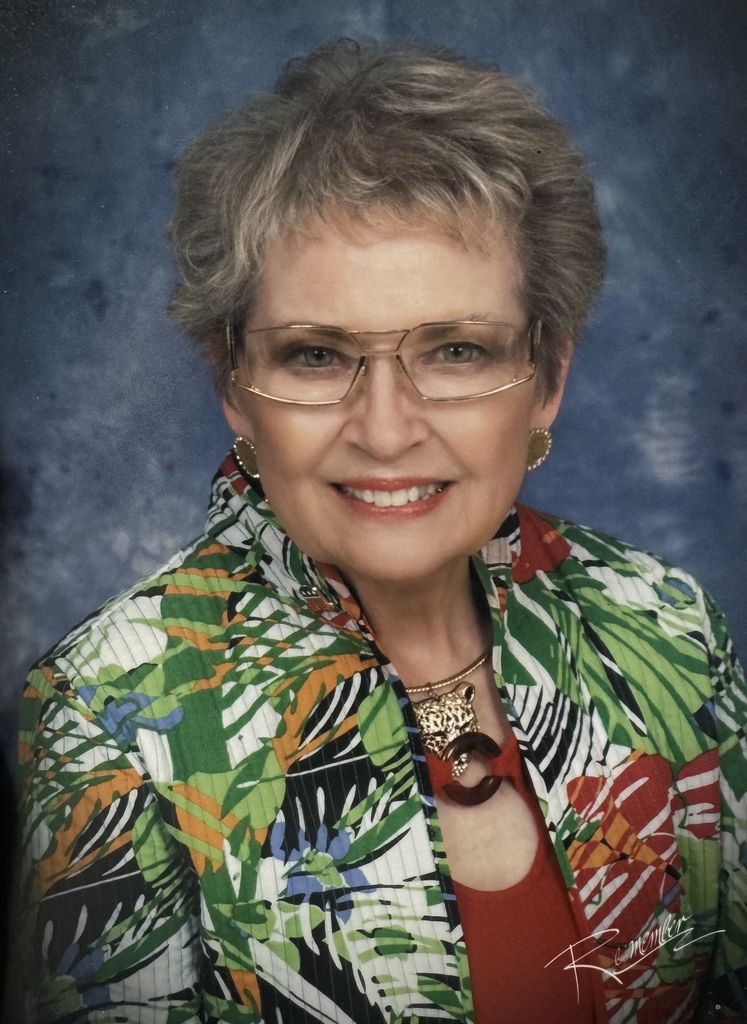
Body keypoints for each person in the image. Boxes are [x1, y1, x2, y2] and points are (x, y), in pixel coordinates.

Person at [6, 38, 746, 1024]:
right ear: (233, 382)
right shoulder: (110, 717)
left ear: (547, 378)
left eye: (456, 349)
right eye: (317, 354)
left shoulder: (663, 627)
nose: (387, 429)